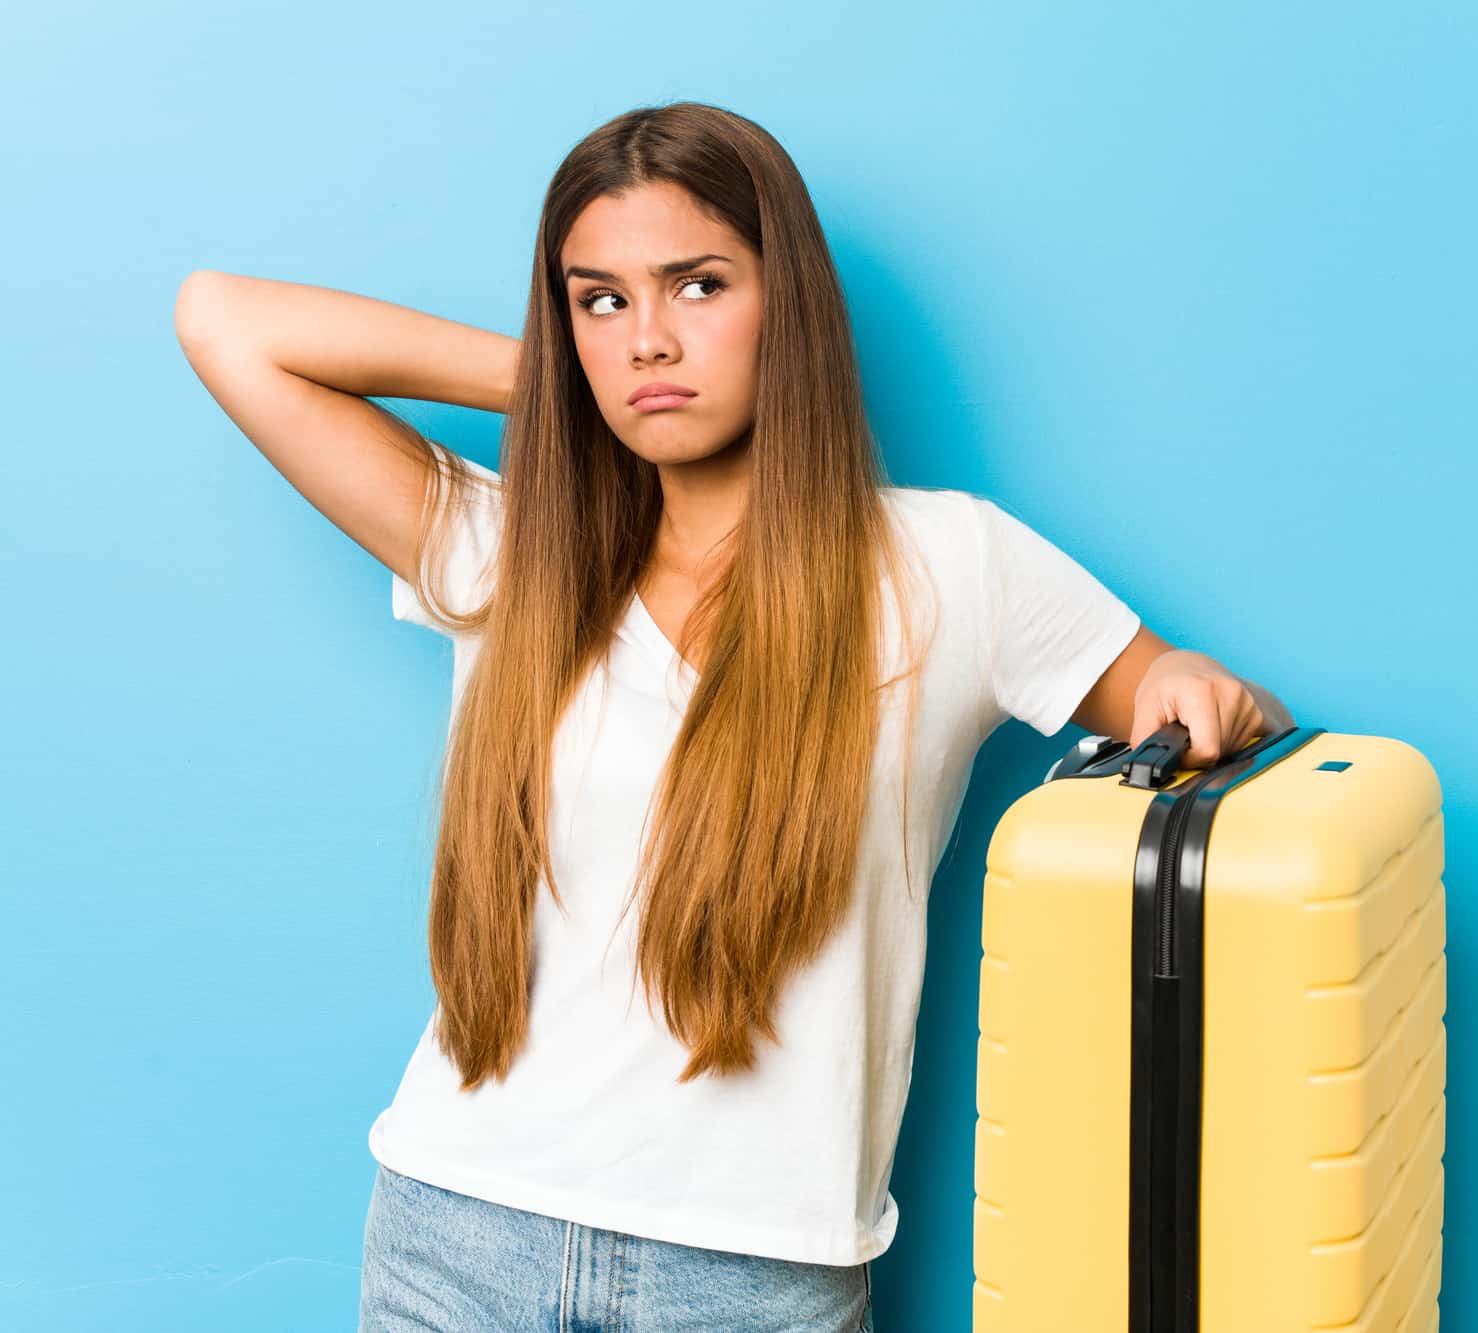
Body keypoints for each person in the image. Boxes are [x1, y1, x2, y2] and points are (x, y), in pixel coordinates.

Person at [173, 100, 1292, 1332]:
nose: (648, 339)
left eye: (695, 287)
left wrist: (1197, 689)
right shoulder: (512, 556)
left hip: (752, 1273)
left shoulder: (950, 566)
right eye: (600, 301)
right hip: (455, 1232)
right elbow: (227, 322)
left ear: (788, 306)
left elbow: (1181, 692)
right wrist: (563, 383)